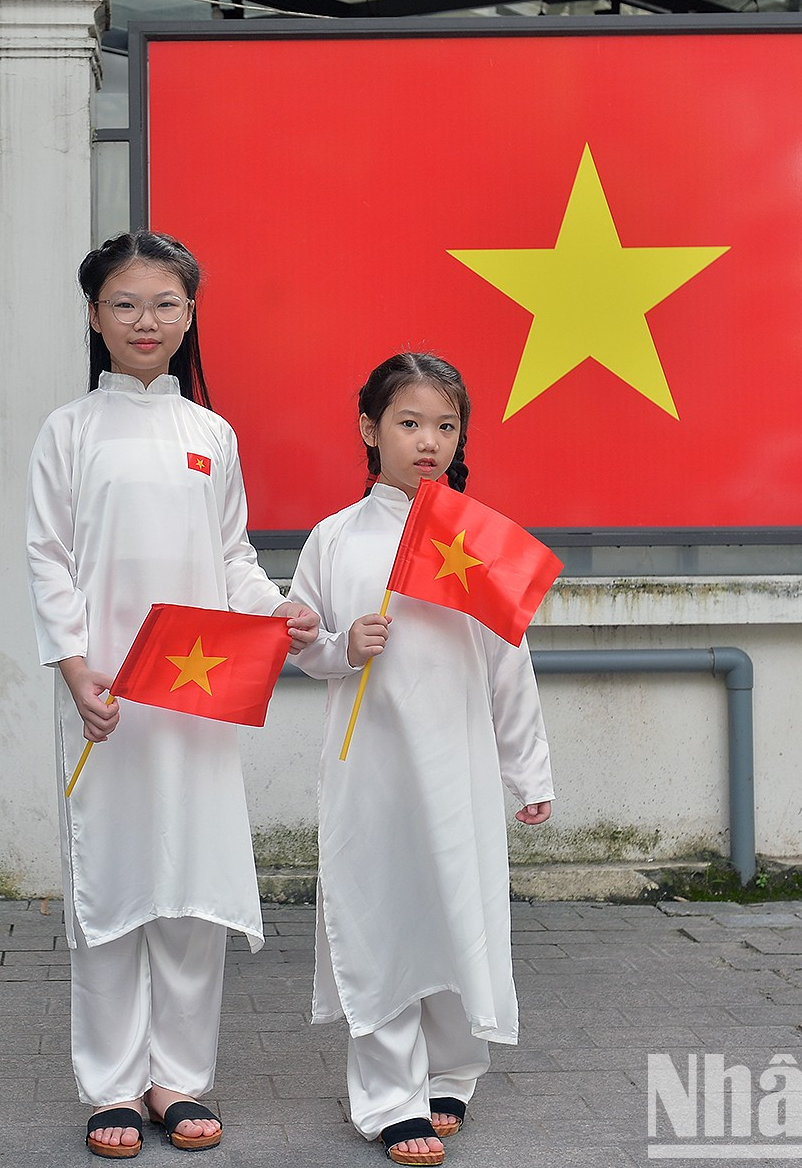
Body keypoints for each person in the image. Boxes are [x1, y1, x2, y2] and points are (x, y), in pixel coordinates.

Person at [26, 231, 319, 1159]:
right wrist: (78, 673)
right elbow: (49, 560)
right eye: (124, 303)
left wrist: (277, 611)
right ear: (93, 315)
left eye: (164, 303)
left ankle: (178, 1077)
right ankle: (110, 1083)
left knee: (190, 888)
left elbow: (230, 554)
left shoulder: (210, 434)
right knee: (110, 886)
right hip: (107, 696)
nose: (144, 320)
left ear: (190, 314)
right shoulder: (68, 431)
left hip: (195, 694)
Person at [287, 352, 554, 1168]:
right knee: (381, 917)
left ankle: (453, 1072)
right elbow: (297, 646)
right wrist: (341, 646)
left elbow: (510, 662)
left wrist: (527, 771)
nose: (428, 441)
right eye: (409, 423)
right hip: (372, 769)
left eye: (445, 425)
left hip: (460, 768)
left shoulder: (476, 538)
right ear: (370, 429)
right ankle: (388, 1094)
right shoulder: (334, 539)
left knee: (454, 913)